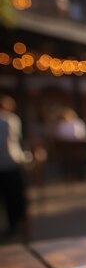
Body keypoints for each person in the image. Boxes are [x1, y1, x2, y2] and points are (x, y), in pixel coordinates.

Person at [0, 95, 27, 238]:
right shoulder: (11, 119)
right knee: (14, 196)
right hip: (11, 161)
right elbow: (15, 138)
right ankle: (18, 224)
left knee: (8, 196)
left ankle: (14, 225)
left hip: (7, 161)